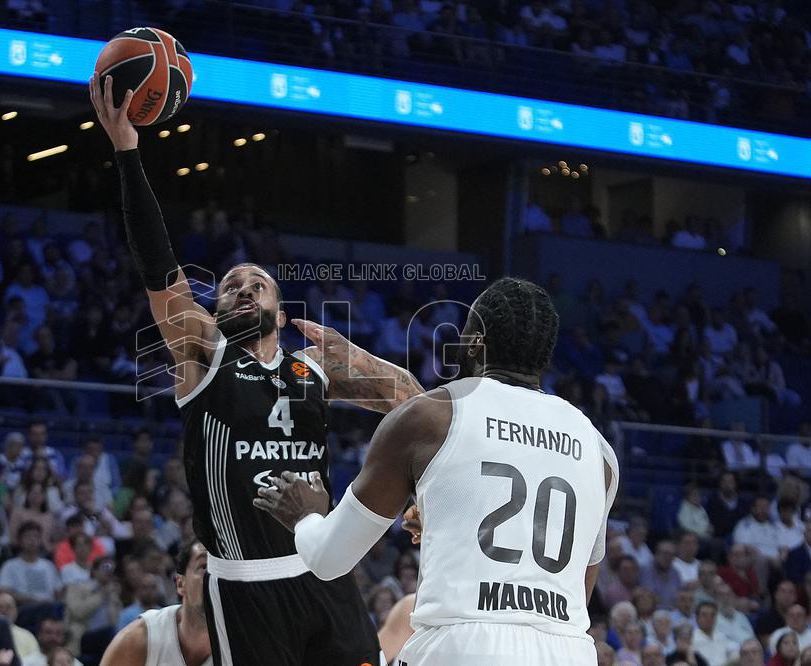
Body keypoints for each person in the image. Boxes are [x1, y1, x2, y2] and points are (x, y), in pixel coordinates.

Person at [90, 72, 424, 666]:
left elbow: (414, 404)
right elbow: (157, 267)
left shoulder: (313, 367)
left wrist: (364, 360)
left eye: (258, 284)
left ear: (280, 307)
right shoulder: (201, 354)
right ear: (214, 309)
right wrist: (127, 155)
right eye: (231, 286)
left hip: (326, 566)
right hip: (244, 585)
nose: (245, 289)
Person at [256, 277, 618, 664]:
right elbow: (572, 591)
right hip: (569, 651)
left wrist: (305, 514)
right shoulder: (600, 451)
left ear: (476, 341)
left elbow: (329, 558)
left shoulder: (431, 416)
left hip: (462, 648)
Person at [100, 540, 211, 666]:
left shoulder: (236, 641)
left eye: (222, 569)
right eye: (204, 566)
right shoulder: (139, 638)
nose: (215, 577)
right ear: (180, 583)